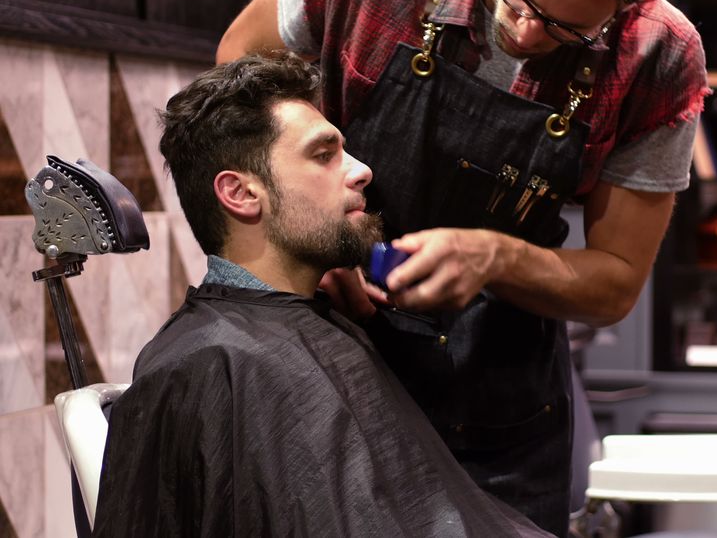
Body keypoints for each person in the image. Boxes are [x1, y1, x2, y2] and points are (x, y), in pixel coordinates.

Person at [217, 0, 708, 533]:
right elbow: (238, 73)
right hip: (323, 368)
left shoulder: (658, 53)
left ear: (628, 6)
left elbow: (616, 282)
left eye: (567, 31)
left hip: (494, 411)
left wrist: (498, 258)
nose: (524, 36)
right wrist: (302, 238)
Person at [91, 52, 549, 537]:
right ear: (242, 194)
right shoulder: (205, 364)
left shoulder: (326, 326)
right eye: (324, 154)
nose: (362, 170)